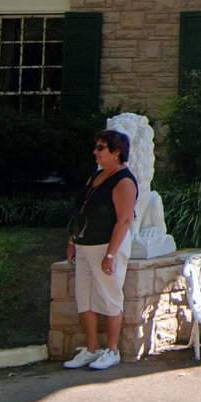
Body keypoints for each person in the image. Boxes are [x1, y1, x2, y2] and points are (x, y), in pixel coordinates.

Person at [64, 129, 139, 371]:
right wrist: (73, 241)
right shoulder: (96, 177)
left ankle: (113, 350)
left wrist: (111, 254)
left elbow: (124, 220)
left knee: (110, 297)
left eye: (101, 148)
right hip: (86, 245)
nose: (95, 152)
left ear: (116, 152)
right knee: (83, 298)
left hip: (106, 245)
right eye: (96, 147)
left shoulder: (124, 181)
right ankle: (92, 348)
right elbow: (82, 210)